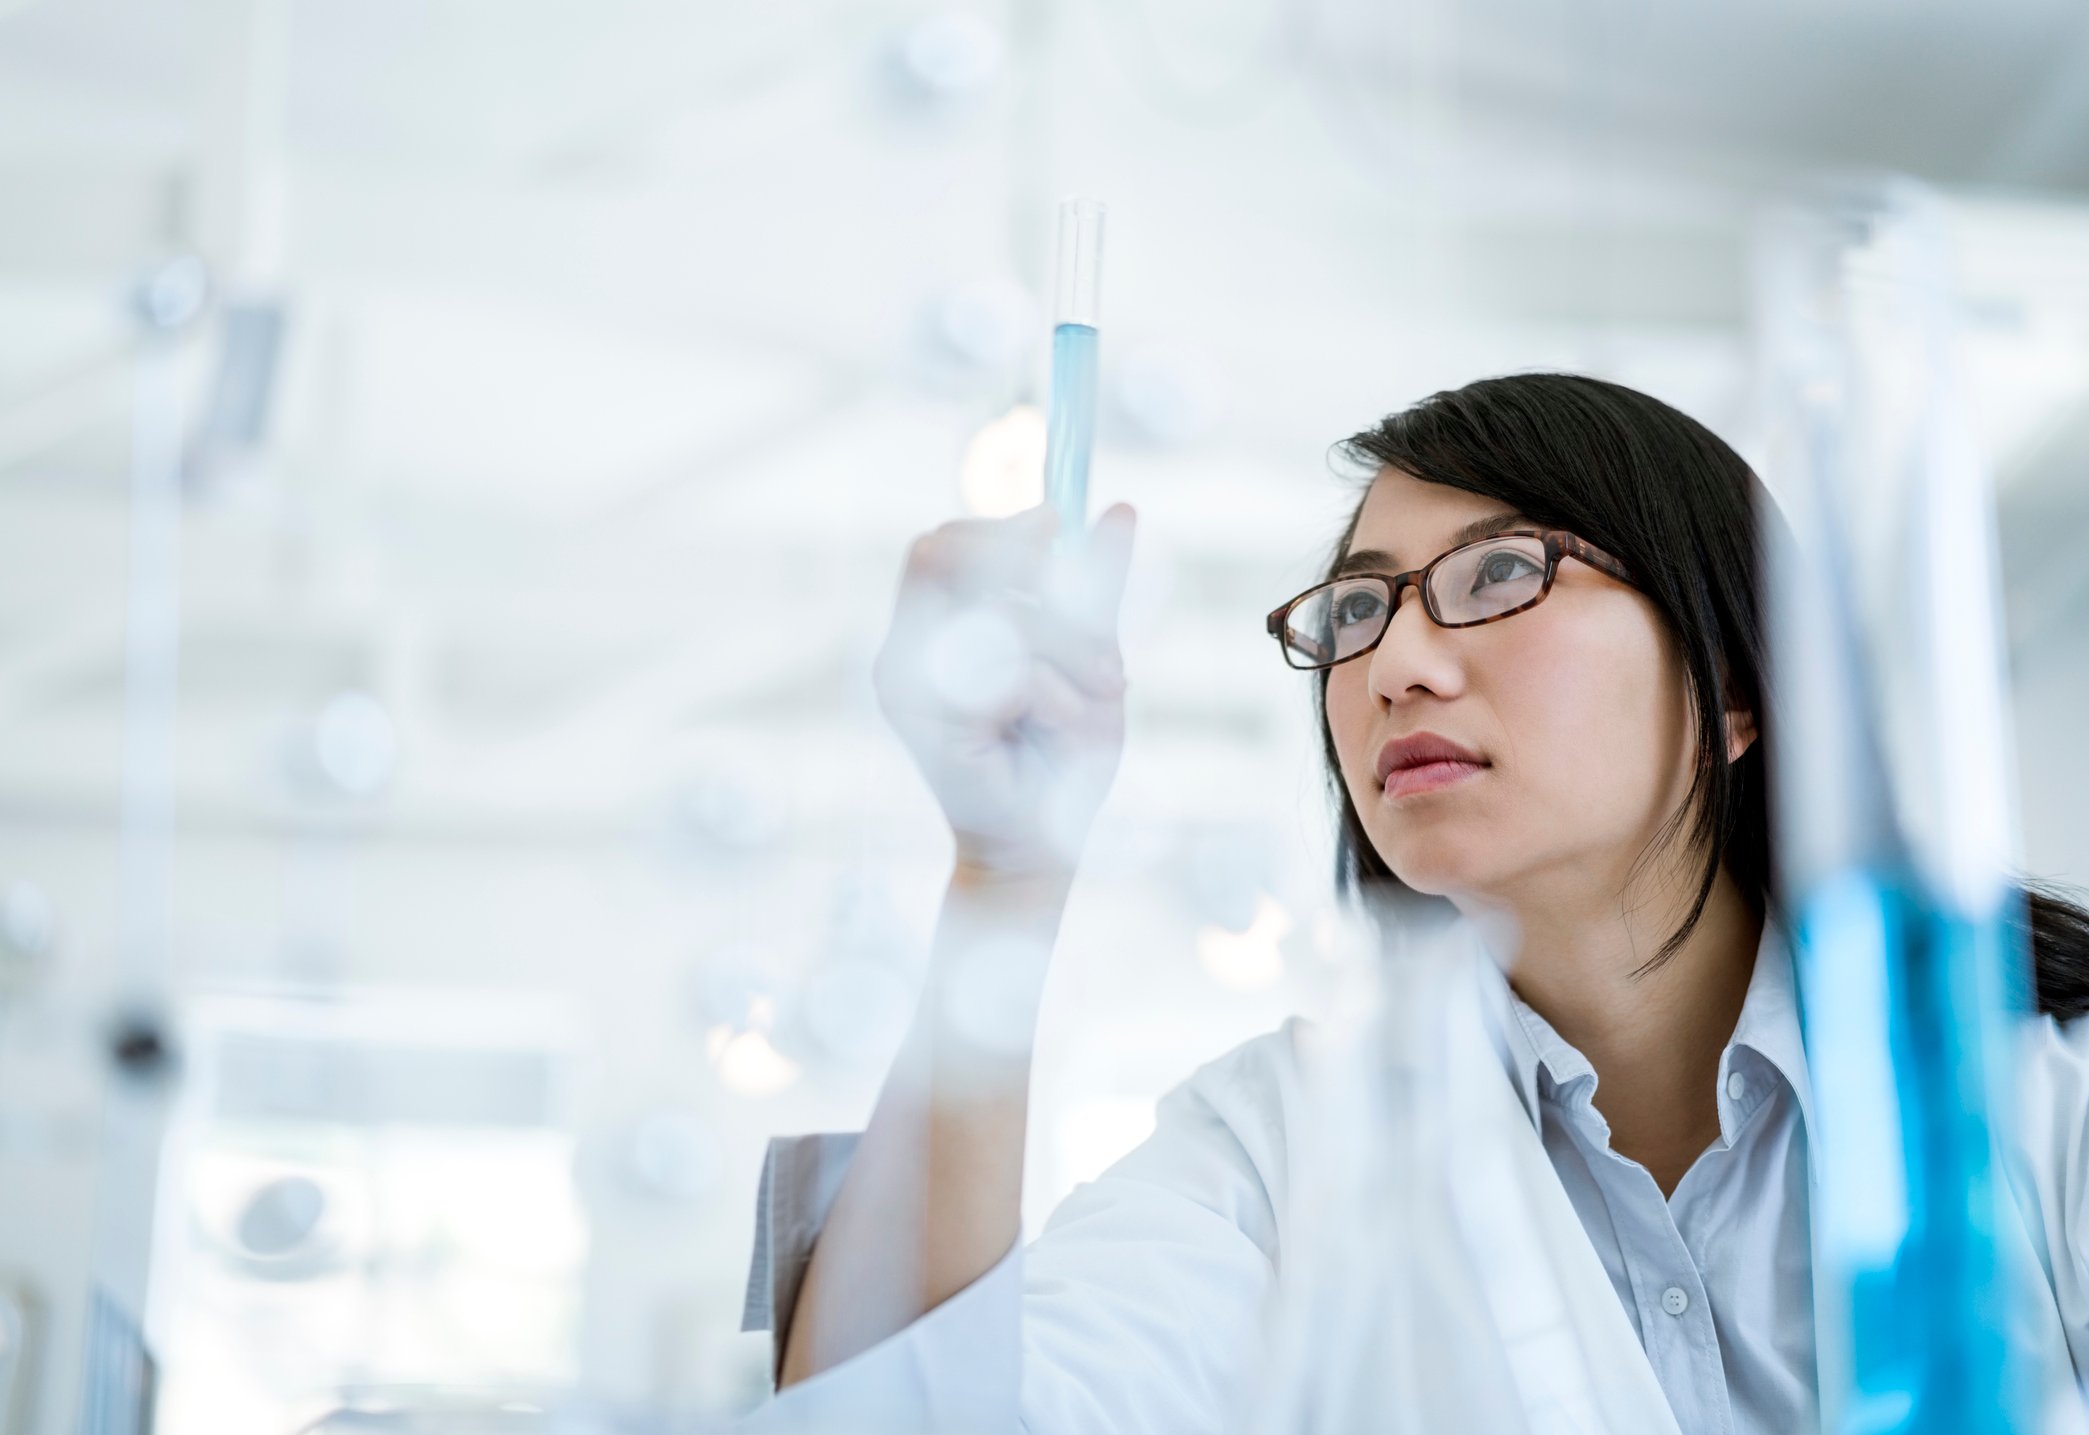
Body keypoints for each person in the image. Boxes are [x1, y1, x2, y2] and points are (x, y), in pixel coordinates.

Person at [735, 374, 2089, 1434]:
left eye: (1501, 574)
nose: (1396, 666)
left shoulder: (2041, 1085)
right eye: (1356, 610)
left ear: (1736, 683)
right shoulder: (1276, 1149)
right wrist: (1004, 878)